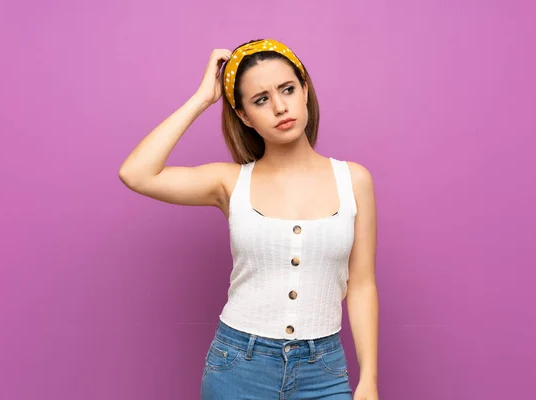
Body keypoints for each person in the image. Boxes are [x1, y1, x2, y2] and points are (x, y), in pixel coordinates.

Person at [119, 39, 379, 400]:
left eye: (287, 89)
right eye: (260, 100)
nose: (279, 107)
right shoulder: (229, 182)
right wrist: (201, 100)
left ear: (304, 89)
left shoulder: (354, 180)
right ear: (243, 116)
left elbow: (362, 284)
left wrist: (369, 377)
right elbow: (136, 173)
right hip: (239, 366)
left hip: (324, 370)